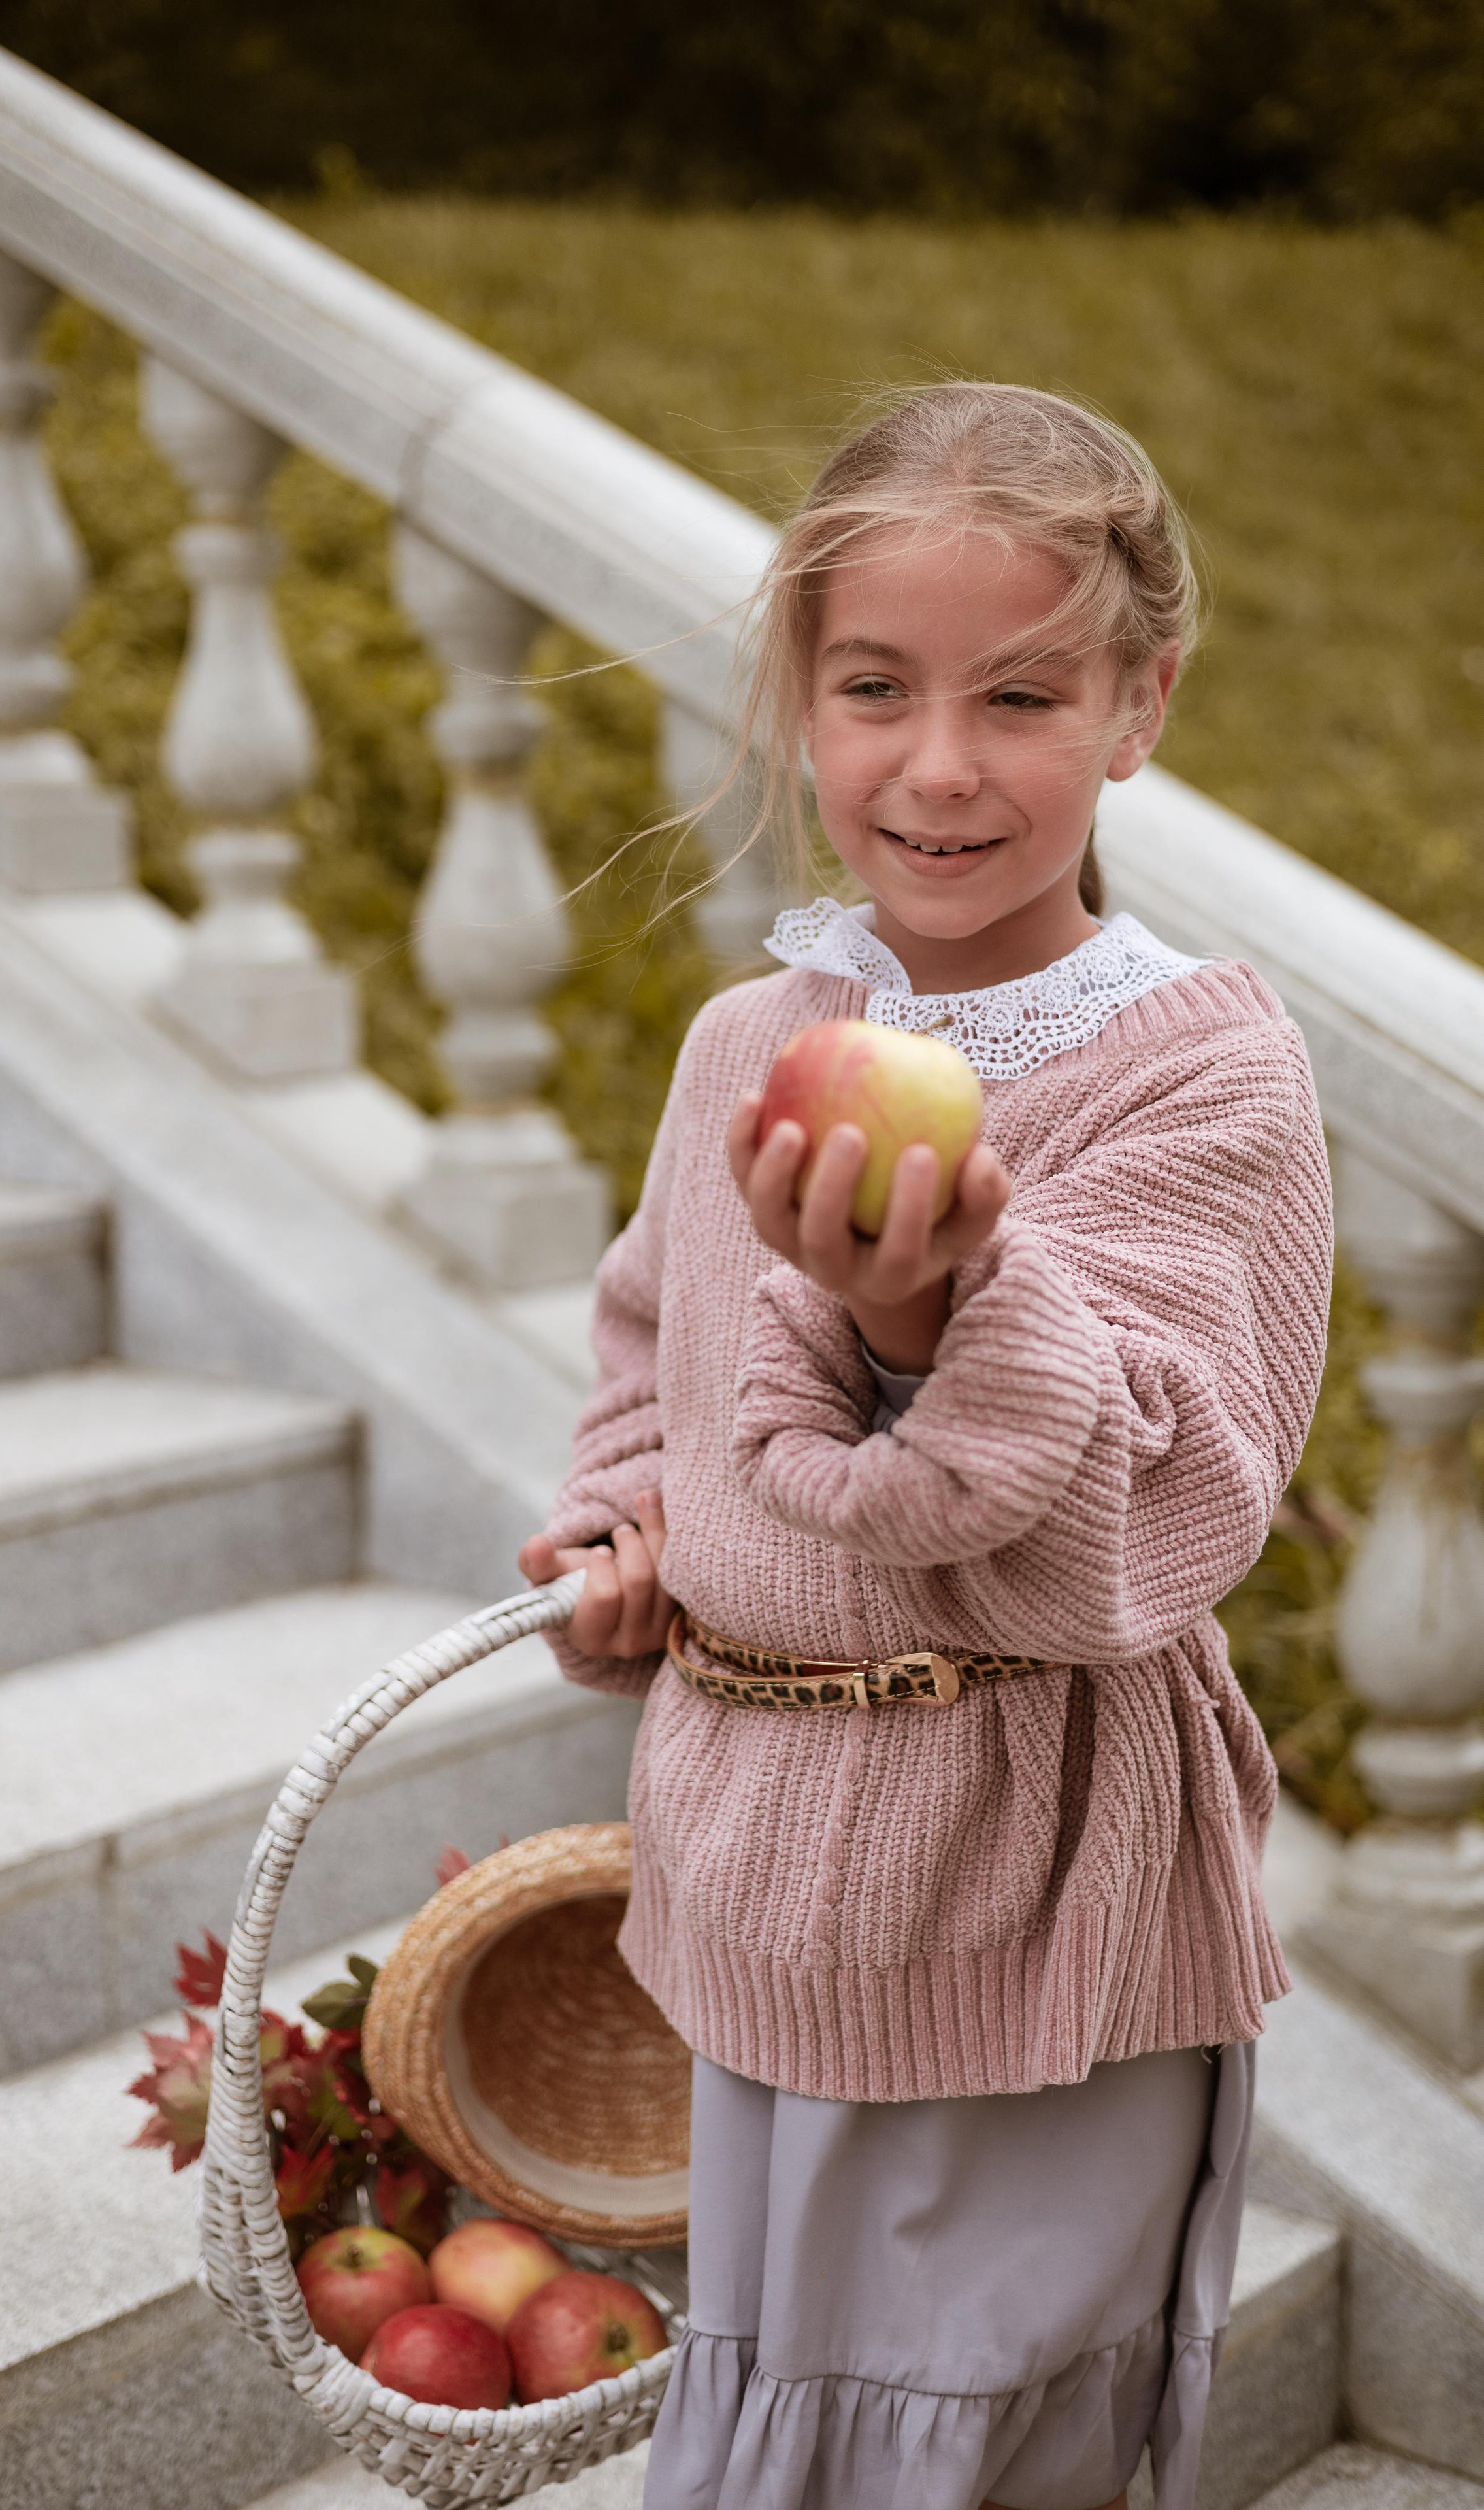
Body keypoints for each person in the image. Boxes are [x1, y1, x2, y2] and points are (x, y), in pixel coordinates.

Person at [518, 381, 1332, 2510]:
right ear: (801, 695)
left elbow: (1149, 1517)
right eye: (875, 687)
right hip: (761, 1871)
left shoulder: (1200, 1082)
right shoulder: (748, 1045)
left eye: (1025, 697)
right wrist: (629, 1530)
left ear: (1141, 706)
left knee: (947, 2449)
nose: (940, 766)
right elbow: (655, 1352)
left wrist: (926, 1308)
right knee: (773, 2411)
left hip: (1026, 1904)